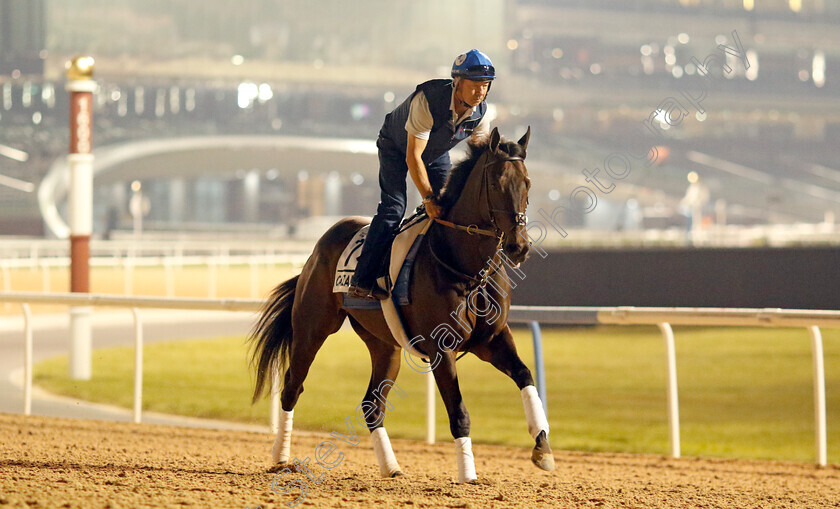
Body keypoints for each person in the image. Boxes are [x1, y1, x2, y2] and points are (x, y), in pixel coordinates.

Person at [348, 49, 496, 300]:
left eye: (485, 85)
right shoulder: (428, 100)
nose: (480, 92)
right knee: (394, 208)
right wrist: (428, 199)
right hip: (396, 146)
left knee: (449, 207)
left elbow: (478, 161)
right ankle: (362, 279)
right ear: (457, 83)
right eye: (474, 85)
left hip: (435, 152)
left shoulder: (482, 113)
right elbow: (412, 157)